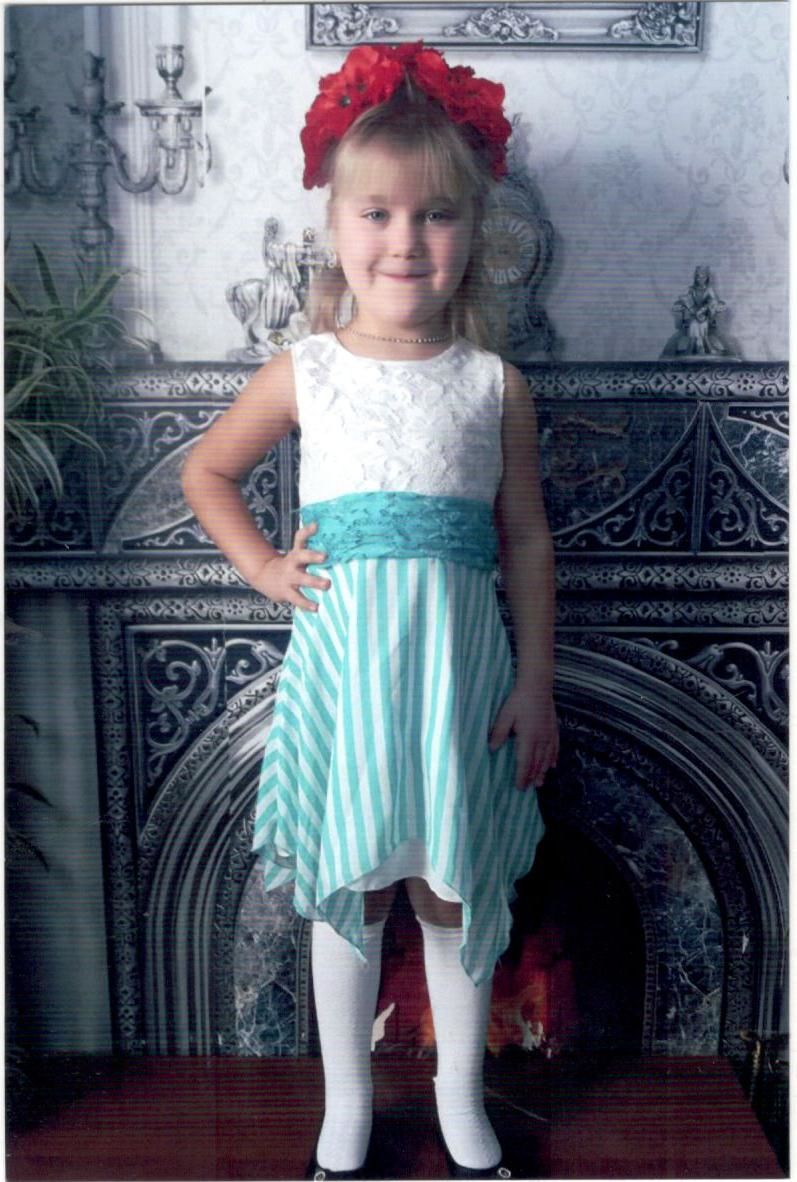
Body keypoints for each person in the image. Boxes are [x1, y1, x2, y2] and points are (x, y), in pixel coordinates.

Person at [182, 42, 558, 1181]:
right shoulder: (307, 370)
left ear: (473, 232)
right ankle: (345, 1107)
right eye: (379, 214)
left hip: (458, 685)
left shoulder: (491, 385)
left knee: (450, 889)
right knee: (350, 882)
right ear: (337, 227)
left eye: (436, 215)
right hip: (346, 682)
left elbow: (525, 538)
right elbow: (208, 472)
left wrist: (535, 686)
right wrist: (264, 568)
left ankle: (457, 1100)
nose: (405, 241)